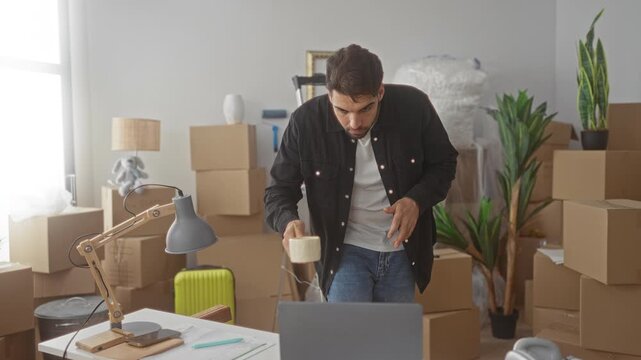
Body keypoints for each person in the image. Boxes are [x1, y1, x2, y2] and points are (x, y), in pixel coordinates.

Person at [265, 44, 458, 303]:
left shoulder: (414, 108)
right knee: (350, 339)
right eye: (342, 111)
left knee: (391, 340)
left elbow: (444, 163)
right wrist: (288, 221)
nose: (354, 123)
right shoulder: (306, 122)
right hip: (344, 252)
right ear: (329, 94)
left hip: (404, 250)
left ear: (380, 92)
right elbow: (278, 190)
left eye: (365, 109)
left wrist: (416, 200)